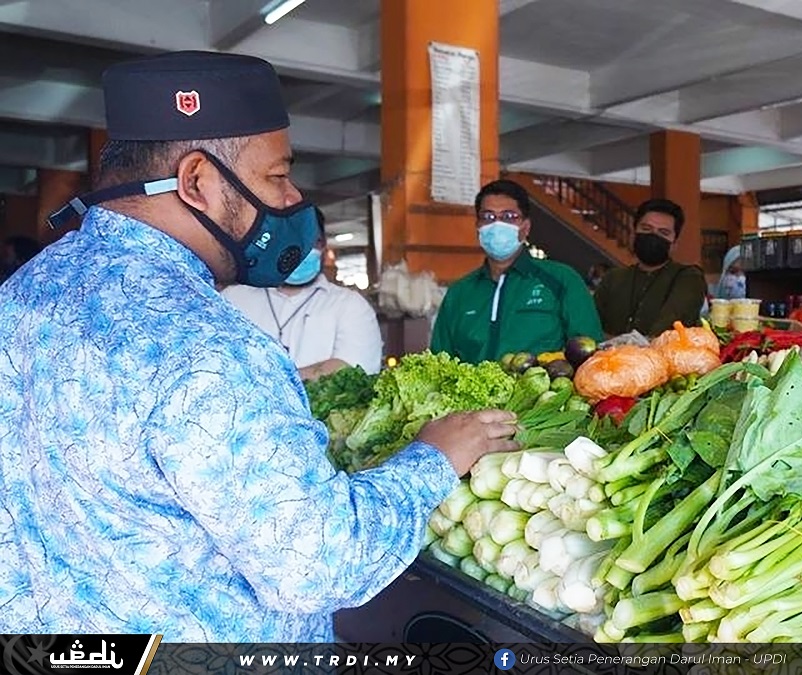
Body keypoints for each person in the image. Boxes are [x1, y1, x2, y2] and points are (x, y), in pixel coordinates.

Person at [0, 51, 516, 641]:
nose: (291, 197)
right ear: (198, 181)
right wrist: (434, 458)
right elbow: (318, 565)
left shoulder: (23, 293)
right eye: (276, 175)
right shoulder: (207, 346)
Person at [431, 179, 604, 364]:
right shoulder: (460, 293)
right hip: (470, 393)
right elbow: (438, 363)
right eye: (488, 217)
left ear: (526, 227)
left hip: (541, 391)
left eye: (508, 216)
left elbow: (590, 354)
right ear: (478, 227)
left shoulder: (562, 280)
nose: (497, 224)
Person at [222, 207, 383, 380]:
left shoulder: (350, 305)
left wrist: (267, 383)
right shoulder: (232, 300)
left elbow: (355, 369)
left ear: (323, 244)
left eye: (311, 241)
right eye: (292, 241)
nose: (302, 250)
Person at [593, 198, 708, 337]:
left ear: (675, 242)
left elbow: (667, 331)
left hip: (661, 357)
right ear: (634, 232)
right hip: (606, 357)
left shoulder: (687, 277)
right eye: (646, 229)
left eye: (663, 233)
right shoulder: (613, 278)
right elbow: (591, 325)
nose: (653, 236)